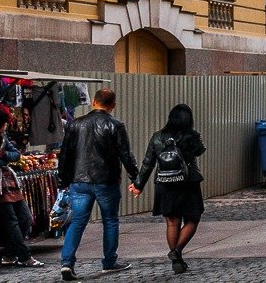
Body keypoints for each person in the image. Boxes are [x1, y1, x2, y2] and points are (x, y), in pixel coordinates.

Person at [57, 86, 139, 281]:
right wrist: (136, 178)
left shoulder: (75, 124)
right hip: (106, 180)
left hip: (79, 180)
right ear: (113, 105)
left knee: (77, 221)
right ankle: (109, 261)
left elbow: (65, 154)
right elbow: (125, 155)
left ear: (94, 102)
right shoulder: (115, 125)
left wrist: (62, 179)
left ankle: (67, 263)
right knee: (110, 220)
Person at [131, 104, 205, 274]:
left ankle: (176, 261)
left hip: (165, 183)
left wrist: (138, 185)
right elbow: (200, 151)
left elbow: (148, 162)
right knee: (193, 219)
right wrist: (195, 137)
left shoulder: (157, 137)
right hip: (188, 182)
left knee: (172, 222)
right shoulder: (191, 136)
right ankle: (177, 251)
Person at [0, 108, 43, 268]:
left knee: (25, 218)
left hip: (10, 184)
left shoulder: (2, 137)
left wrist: (3, 156)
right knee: (11, 221)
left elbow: (16, 154)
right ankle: (25, 256)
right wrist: (4, 159)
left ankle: (9, 254)